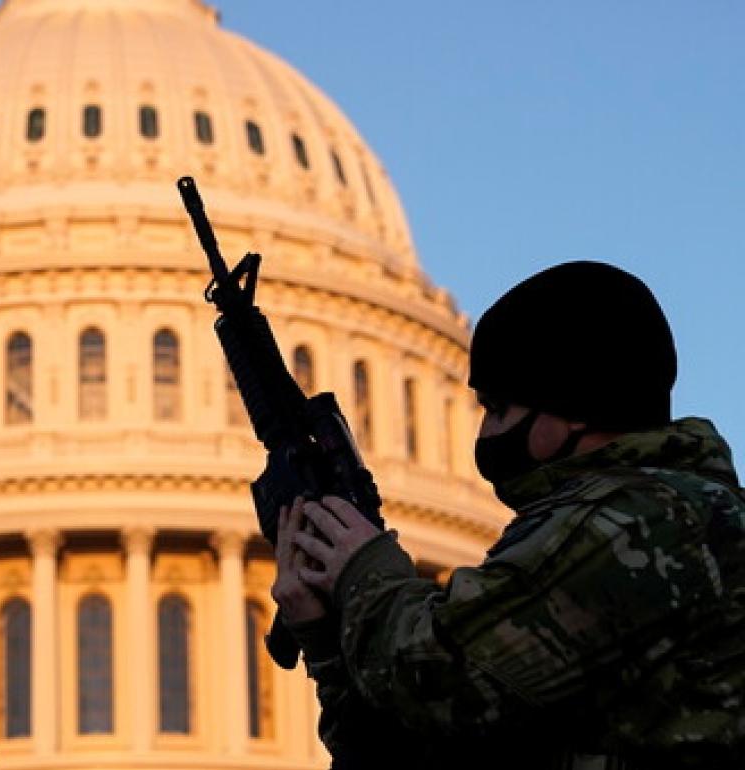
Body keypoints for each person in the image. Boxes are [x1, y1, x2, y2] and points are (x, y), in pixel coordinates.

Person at [271, 261, 745, 769]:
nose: (485, 435)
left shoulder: (639, 520)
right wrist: (325, 644)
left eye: (498, 408)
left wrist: (365, 568)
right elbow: (415, 747)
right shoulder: (640, 513)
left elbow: (438, 683)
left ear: (573, 406)